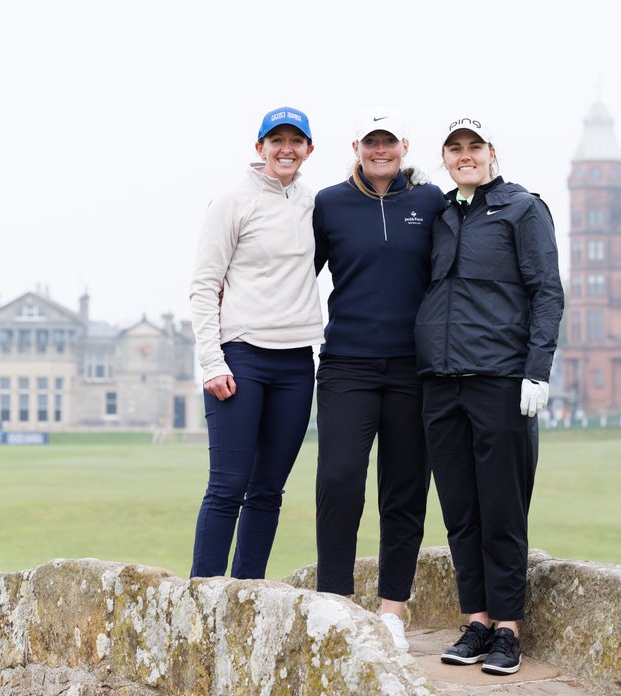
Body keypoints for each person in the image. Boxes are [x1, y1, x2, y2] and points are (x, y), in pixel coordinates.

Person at [414, 117, 564, 675]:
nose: (465, 156)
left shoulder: (523, 209)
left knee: (502, 507)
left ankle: (508, 629)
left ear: (492, 153)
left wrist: (537, 371)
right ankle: (476, 620)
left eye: (474, 147)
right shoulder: (440, 212)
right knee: (459, 509)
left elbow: (547, 290)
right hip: (441, 382)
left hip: (500, 379)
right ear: (445, 159)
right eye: (454, 149)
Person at [312, 107, 447, 651]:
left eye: (389, 142)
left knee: (405, 488)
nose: (380, 150)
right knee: (340, 479)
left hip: (414, 369)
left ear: (404, 146)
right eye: (371, 143)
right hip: (347, 363)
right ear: (357, 147)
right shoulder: (330, 203)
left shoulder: (429, 202)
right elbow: (297, 272)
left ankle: (393, 610)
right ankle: (335, 602)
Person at [188, 106, 325, 580]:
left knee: (268, 491)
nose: (286, 148)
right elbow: (205, 284)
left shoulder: (312, 203)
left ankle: (248, 597)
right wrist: (211, 361)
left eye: (296, 140)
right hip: (241, 357)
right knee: (227, 486)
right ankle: (203, 600)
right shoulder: (232, 201)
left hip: (295, 363)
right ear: (260, 147)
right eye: (276, 139)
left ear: (309, 149)